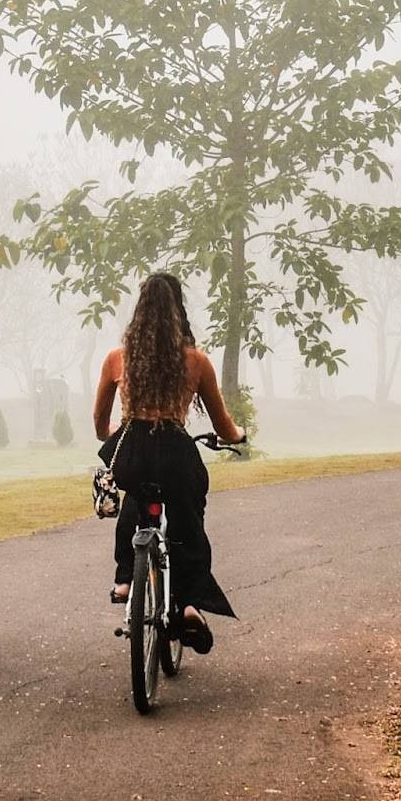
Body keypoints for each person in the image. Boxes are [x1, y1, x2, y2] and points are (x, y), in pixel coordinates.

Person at [91, 272, 245, 654]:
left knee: (135, 497)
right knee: (189, 517)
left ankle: (126, 578)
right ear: (179, 312)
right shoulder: (196, 361)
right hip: (176, 453)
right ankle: (190, 604)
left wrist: (118, 430)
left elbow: (99, 425)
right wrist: (238, 435)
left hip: (132, 450)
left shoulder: (117, 359)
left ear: (139, 313)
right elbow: (223, 426)